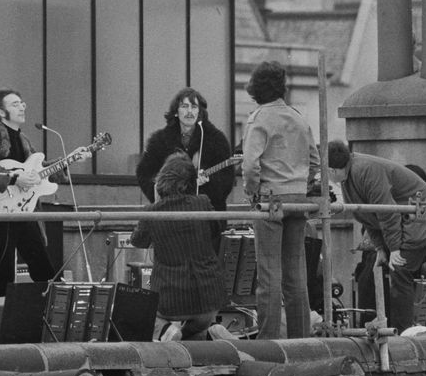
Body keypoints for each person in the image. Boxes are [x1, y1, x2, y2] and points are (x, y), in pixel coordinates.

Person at [0, 88, 88, 296]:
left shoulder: (23, 139)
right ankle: (2, 323)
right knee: (4, 274)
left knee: (43, 268)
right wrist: (14, 177)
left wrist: (70, 159)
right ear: (1, 112)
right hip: (0, 211)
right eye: (15, 104)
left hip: (24, 209)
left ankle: (50, 316)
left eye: (22, 103)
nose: (22, 107)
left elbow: (38, 172)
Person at [327, 140, 426, 333]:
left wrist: (395, 248)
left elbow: (386, 212)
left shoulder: (366, 170)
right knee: (376, 268)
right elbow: (366, 215)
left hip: (420, 214)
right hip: (402, 220)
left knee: (400, 268)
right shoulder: (349, 175)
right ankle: (384, 324)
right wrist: (381, 248)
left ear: (332, 170)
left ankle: (403, 331)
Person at [240, 61, 320, 339]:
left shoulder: (259, 119)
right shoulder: (298, 118)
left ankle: (269, 340)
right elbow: (314, 160)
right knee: (296, 274)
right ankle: (301, 339)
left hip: (270, 200)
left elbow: (250, 165)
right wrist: (303, 185)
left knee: (269, 274)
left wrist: (252, 191)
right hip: (299, 199)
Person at [130, 153, 228, 340]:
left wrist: (156, 201)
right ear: (191, 182)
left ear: (161, 181)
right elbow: (217, 230)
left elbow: (137, 241)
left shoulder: (153, 212)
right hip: (209, 299)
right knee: (197, 330)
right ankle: (210, 331)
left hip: (171, 301)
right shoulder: (203, 202)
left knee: (146, 318)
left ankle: (167, 330)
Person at [135, 87, 235, 248]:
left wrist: (209, 183)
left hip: (206, 222)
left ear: (200, 112)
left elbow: (227, 179)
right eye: (185, 106)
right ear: (176, 111)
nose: (190, 112)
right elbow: (144, 173)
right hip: (170, 219)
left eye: (194, 107)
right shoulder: (159, 140)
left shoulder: (217, 140)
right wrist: (161, 196)